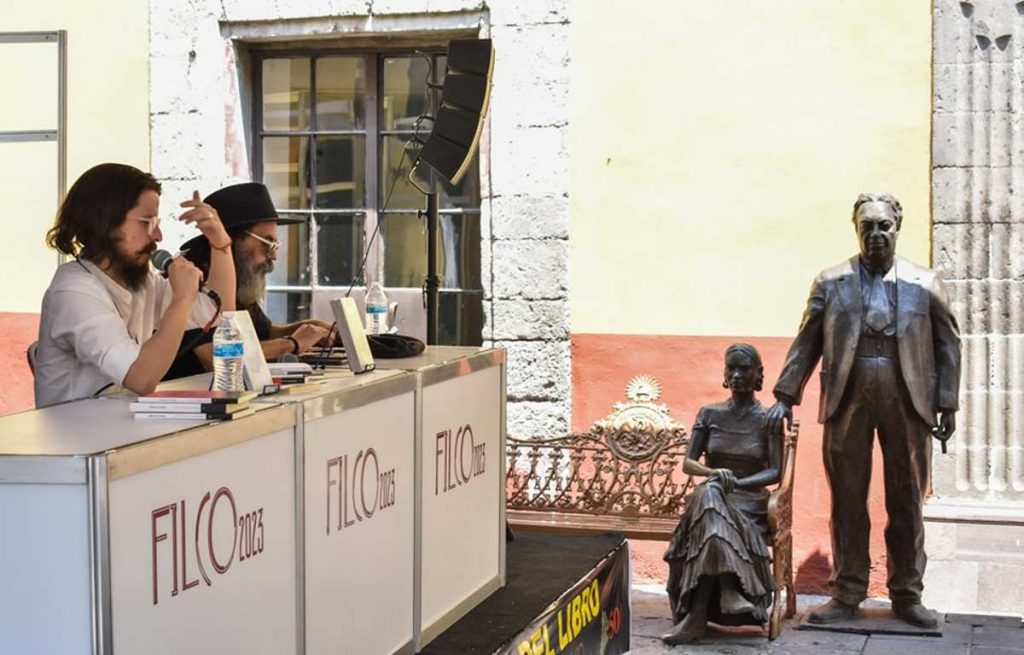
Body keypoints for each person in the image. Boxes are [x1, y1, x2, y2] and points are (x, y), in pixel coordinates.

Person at [766, 193, 961, 628]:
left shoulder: (925, 283)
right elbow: (808, 341)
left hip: (907, 399)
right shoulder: (831, 282)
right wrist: (785, 394)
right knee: (848, 500)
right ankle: (847, 591)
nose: (875, 234)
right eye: (867, 226)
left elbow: (948, 344)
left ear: (897, 226)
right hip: (847, 397)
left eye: (883, 226)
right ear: (855, 228)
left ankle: (908, 595)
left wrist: (947, 402)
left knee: (907, 499)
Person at [34, 163, 235, 407]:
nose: (158, 235)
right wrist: (182, 300)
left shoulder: (141, 282)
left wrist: (220, 243)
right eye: (147, 222)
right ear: (105, 222)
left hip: (124, 432)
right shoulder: (73, 292)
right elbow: (141, 379)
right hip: (77, 441)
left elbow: (219, 312)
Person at [661, 343, 781, 645]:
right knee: (711, 497)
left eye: (744, 369)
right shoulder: (710, 413)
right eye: (732, 368)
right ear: (725, 374)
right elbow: (689, 463)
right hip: (712, 495)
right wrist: (713, 474)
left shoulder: (768, 419)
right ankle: (729, 590)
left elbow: (776, 472)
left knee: (710, 513)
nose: (737, 375)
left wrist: (739, 483)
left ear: (758, 375)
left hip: (747, 500)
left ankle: (695, 618)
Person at [164, 182, 330, 379]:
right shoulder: (193, 276)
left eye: (275, 245)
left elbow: (263, 333)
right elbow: (215, 356)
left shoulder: (240, 278)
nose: (273, 256)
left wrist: (307, 328)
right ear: (233, 239)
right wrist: (292, 343)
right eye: (267, 243)